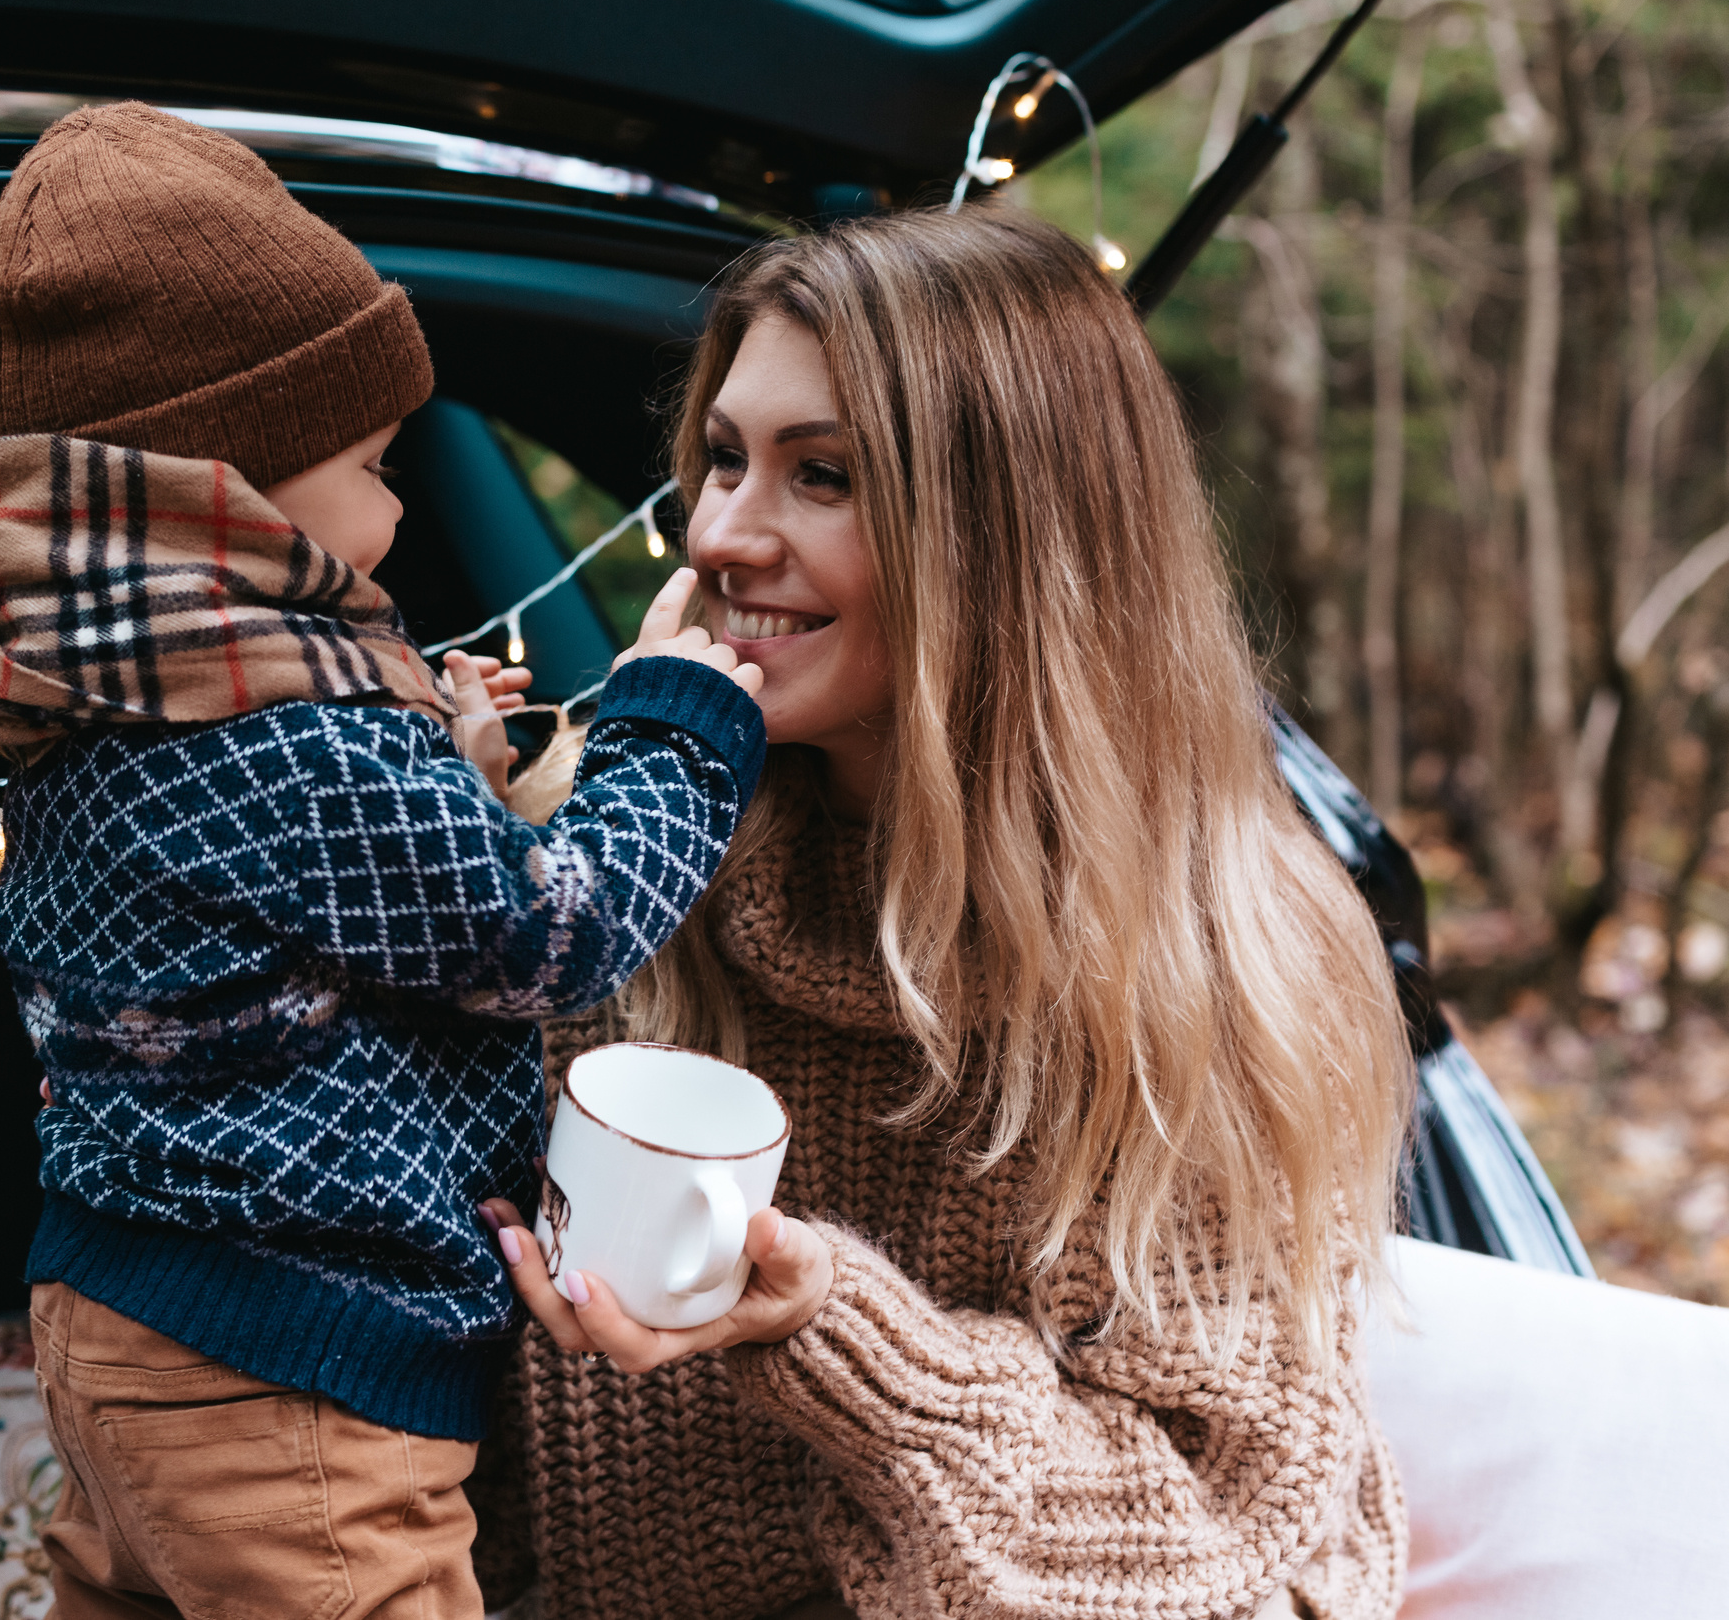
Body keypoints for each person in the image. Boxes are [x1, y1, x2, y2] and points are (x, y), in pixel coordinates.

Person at [472, 206, 1413, 1620]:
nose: (720, 534)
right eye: (723, 459)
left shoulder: (1218, 961)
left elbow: (1218, 1523)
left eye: (824, 475)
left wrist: (834, 1334)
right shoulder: (598, 866)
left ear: (1003, 539)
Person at [0, 103, 768, 1620]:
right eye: (373, 461)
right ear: (230, 484)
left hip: (116, 1313)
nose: (396, 505)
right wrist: (676, 727)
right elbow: (550, 939)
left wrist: (451, 776)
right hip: (289, 1370)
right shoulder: (299, 739)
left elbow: (292, 920)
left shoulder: (97, 686)